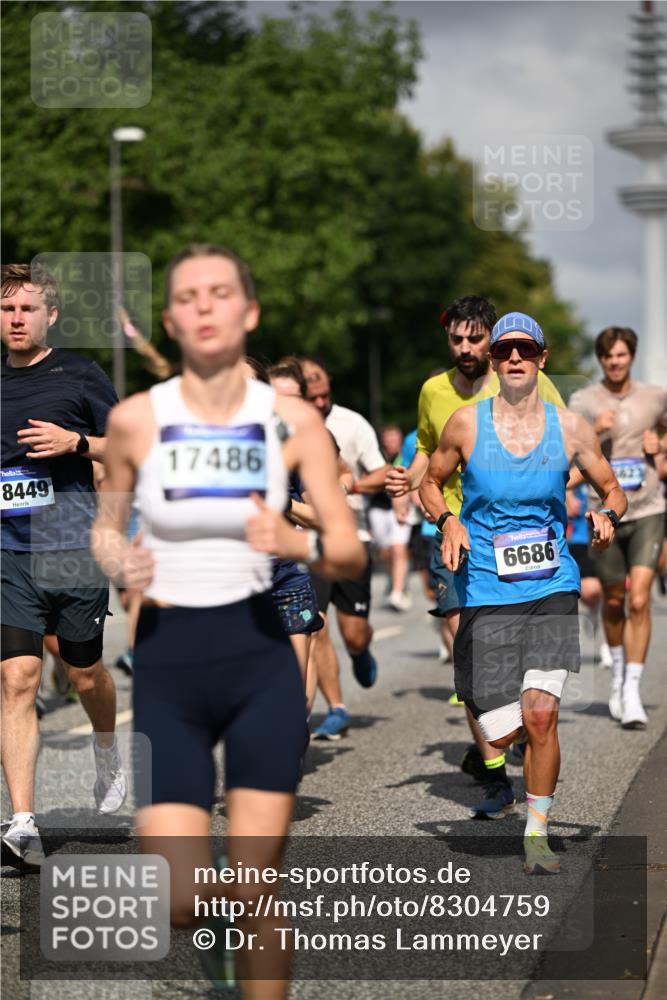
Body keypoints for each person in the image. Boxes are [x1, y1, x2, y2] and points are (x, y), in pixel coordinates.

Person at [91, 243, 364, 994]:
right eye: (188, 296)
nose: (204, 306)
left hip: (257, 658)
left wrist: (295, 542)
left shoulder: (291, 421)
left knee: (257, 884)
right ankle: (222, 920)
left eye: (220, 293)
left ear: (249, 313)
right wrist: (119, 560)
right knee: (179, 899)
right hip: (170, 662)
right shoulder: (135, 420)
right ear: (171, 319)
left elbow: (347, 549)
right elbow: (105, 529)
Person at [420, 311, 626, 874]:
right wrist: (448, 522)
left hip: (551, 585)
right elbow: (430, 483)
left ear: (542, 358)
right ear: (493, 360)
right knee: (494, 719)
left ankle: (536, 834)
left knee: (539, 718)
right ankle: (501, 750)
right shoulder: (465, 424)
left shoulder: (570, 428)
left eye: (526, 350)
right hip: (485, 584)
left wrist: (607, 514)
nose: (515, 358)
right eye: (505, 350)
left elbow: (612, 488)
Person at [387, 295, 566, 813]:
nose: (464, 348)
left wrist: (558, 494)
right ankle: (494, 777)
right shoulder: (433, 391)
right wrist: (409, 484)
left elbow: (567, 443)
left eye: (474, 339)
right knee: (471, 656)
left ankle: (521, 731)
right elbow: (427, 451)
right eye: (456, 339)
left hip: (523, 541)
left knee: (515, 667)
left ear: (491, 342)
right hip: (454, 536)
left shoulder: (525, 376)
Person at [1, 262, 126, 867]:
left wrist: (76, 442)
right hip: (9, 551)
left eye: (27, 309)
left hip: (73, 546)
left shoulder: (80, 374)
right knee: (17, 678)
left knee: (84, 672)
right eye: (7, 309)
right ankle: (23, 822)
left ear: (50, 315)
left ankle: (106, 748)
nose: (16, 318)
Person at [569, 327, 667, 728]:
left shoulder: (655, 396)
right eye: (608, 356)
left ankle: (631, 691)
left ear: (632, 357)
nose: (615, 362)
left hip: (648, 509)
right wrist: (597, 431)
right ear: (600, 360)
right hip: (603, 512)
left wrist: (660, 446)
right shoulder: (583, 401)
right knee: (613, 600)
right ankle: (619, 675)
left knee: (639, 600)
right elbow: (570, 450)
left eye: (621, 355)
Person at [299, 356, 391, 740]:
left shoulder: (352, 424)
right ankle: (336, 708)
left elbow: (382, 472)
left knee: (352, 633)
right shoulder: (287, 425)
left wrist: (347, 487)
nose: (320, 402)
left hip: (353, 538)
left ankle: (359, 649)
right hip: (310, 542)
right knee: (315, 626)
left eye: (325, 394)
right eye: (312, 396)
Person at [368, 425, 413, 612]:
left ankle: (397, 592)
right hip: (378, 508)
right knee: (386, 552)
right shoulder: (376, 457)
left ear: (400, 439)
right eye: (388, 438)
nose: (391, 441)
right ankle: (393, 579)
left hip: (402, 508)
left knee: (398, 549)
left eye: (394, 438)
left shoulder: (407, 456)